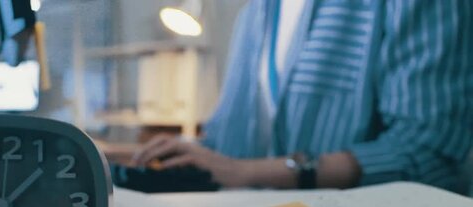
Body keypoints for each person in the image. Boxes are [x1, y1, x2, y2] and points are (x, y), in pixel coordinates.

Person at [128, 0, 473, 191]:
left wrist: (248, 172)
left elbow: (427, 152)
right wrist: (119, 156)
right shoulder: (256, 14)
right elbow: (228, 149)